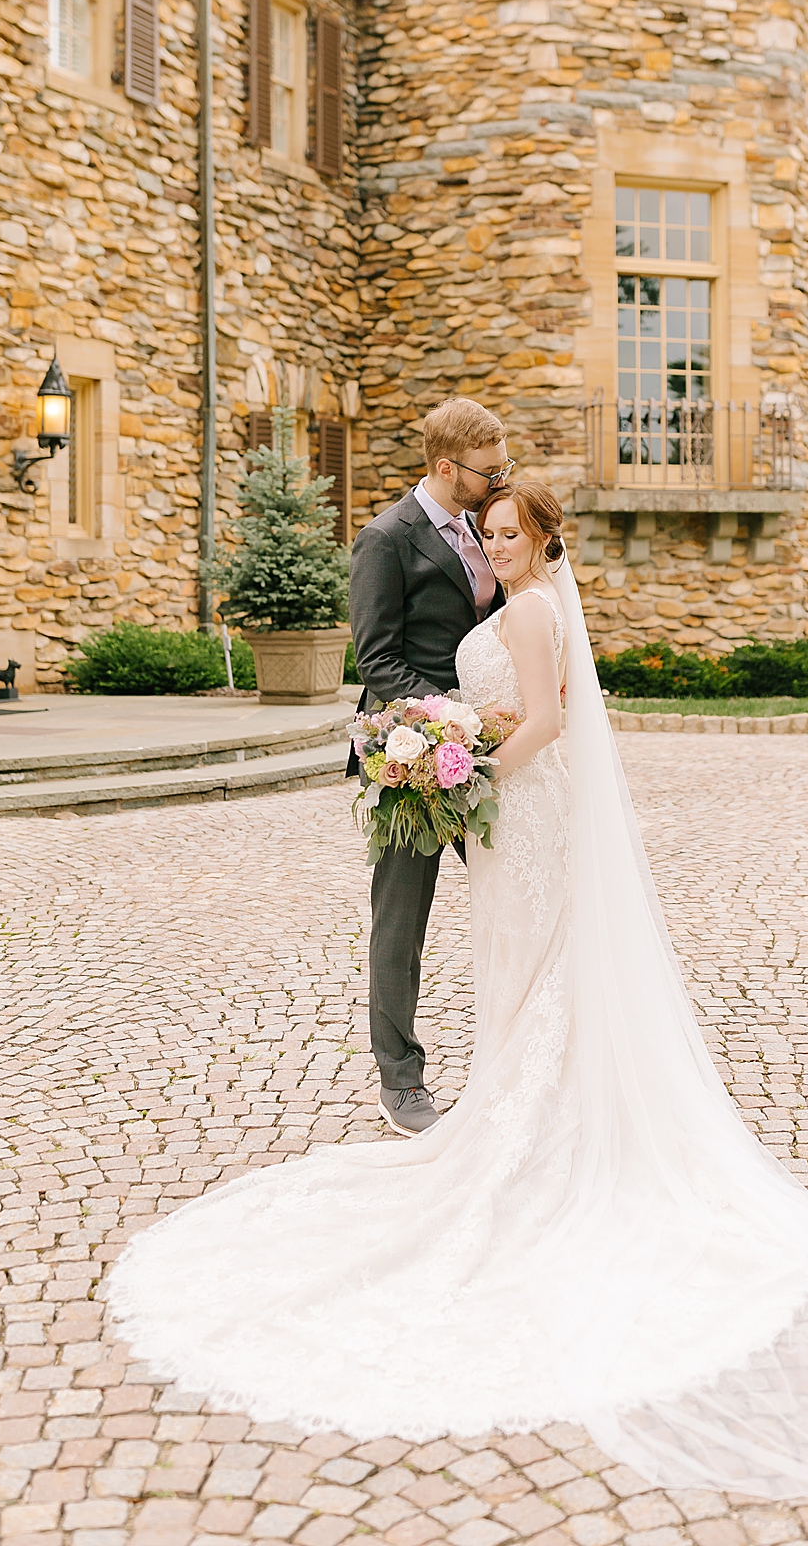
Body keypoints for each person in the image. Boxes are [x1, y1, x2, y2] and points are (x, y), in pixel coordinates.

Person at [108, 482, 808, 1498]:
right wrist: (452, 741)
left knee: (537, 970)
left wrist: (466, 764)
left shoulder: (530, 613)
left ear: (544, 539)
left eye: (509, 531)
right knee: (521, 971)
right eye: (484, 529)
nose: (493, 543)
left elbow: (546, 722)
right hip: (511, 819)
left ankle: (543, 1128)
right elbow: (510, 714)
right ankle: (520, 1107)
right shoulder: (516, 601)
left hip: (524, 812)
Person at [345, 396, 508, 1134]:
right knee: (401, 920)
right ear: (446, 468)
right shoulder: (386, 538)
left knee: (515, 901)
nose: (499, 480)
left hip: (495, 753)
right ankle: (399, 1079)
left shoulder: (489, 528)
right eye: (487, 471)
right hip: (410, 757)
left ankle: (517, 1059)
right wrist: (452, 719)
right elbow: (377, 659)